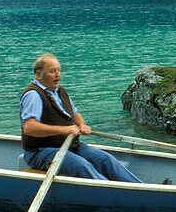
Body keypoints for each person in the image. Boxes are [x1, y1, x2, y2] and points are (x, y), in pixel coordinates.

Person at [20, 53, 143, 183]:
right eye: (52, 71)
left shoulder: (59, 91)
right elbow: (30, 128)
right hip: (40, 151)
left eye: (59, 70)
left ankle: (141, 188)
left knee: (106, 159)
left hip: (70, 145)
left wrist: (82, 124)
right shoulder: (33, 95)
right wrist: (64, 130)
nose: (58, 75)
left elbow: (75, 114)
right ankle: (115, 193)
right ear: (39, 75)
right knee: (81, 165)